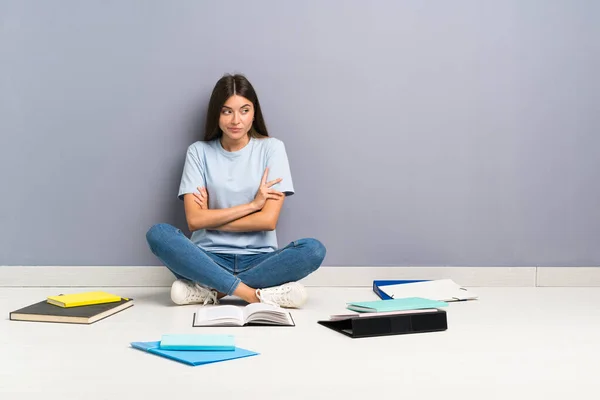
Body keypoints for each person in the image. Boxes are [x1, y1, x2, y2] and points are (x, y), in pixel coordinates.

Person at [146, 73, 326, 308]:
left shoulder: (272, 149)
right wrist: (252, 206)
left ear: (254, 113)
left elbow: (268, 220)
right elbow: (193, 220)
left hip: (261, 260)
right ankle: (254, 294)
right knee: (158, 234)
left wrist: (209, 218)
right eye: (227, 111)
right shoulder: (198, 152)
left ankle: (212, 291)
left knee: (313, 250)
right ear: (216, 114)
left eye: (244, 110)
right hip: (206, 258)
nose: (236, 120)